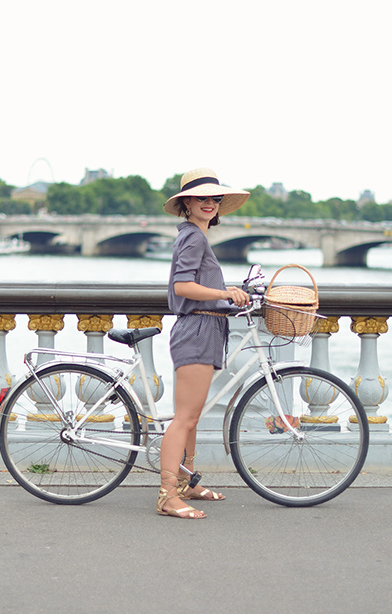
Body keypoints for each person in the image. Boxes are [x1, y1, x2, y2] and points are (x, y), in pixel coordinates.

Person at [157, 168, 250, 519]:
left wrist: (227, 296)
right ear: (186, 203)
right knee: (185, 418)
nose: (210, 203)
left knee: (192, 418)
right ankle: (168, 494)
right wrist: (225, 292)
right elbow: (183, 287)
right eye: (202, 198)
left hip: (206, 328)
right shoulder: (193, 238)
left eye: (215, 198)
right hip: (196, 329)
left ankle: (187, 482)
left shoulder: (195, 235)